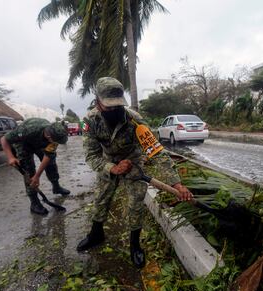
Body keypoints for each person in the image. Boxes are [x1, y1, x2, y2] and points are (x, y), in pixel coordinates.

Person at [77, 77, 193, 268]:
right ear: (97, 101)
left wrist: (176, 183)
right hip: (107, 162)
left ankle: (134, 245)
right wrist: (112, 168)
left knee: (135, 204)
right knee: (101, 199)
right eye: (109, 106)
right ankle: (96, 234)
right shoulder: (89, 121)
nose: (114, 110)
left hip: (133, 162)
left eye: (117, 106)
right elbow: (91, 155)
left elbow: (156, 152)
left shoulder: (135, 121)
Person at [0, 118, 70, 215]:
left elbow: (47, 156)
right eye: (55, 141)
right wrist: (11, 157)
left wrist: (37, 176)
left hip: (40, 144)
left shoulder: (55, 137)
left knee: (51, 164)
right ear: (49, 136)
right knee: (28, 172)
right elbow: (4, 139)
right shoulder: (28, 130)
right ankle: (34, 202)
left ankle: (56, 186)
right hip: (23, 144)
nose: (56, 143)